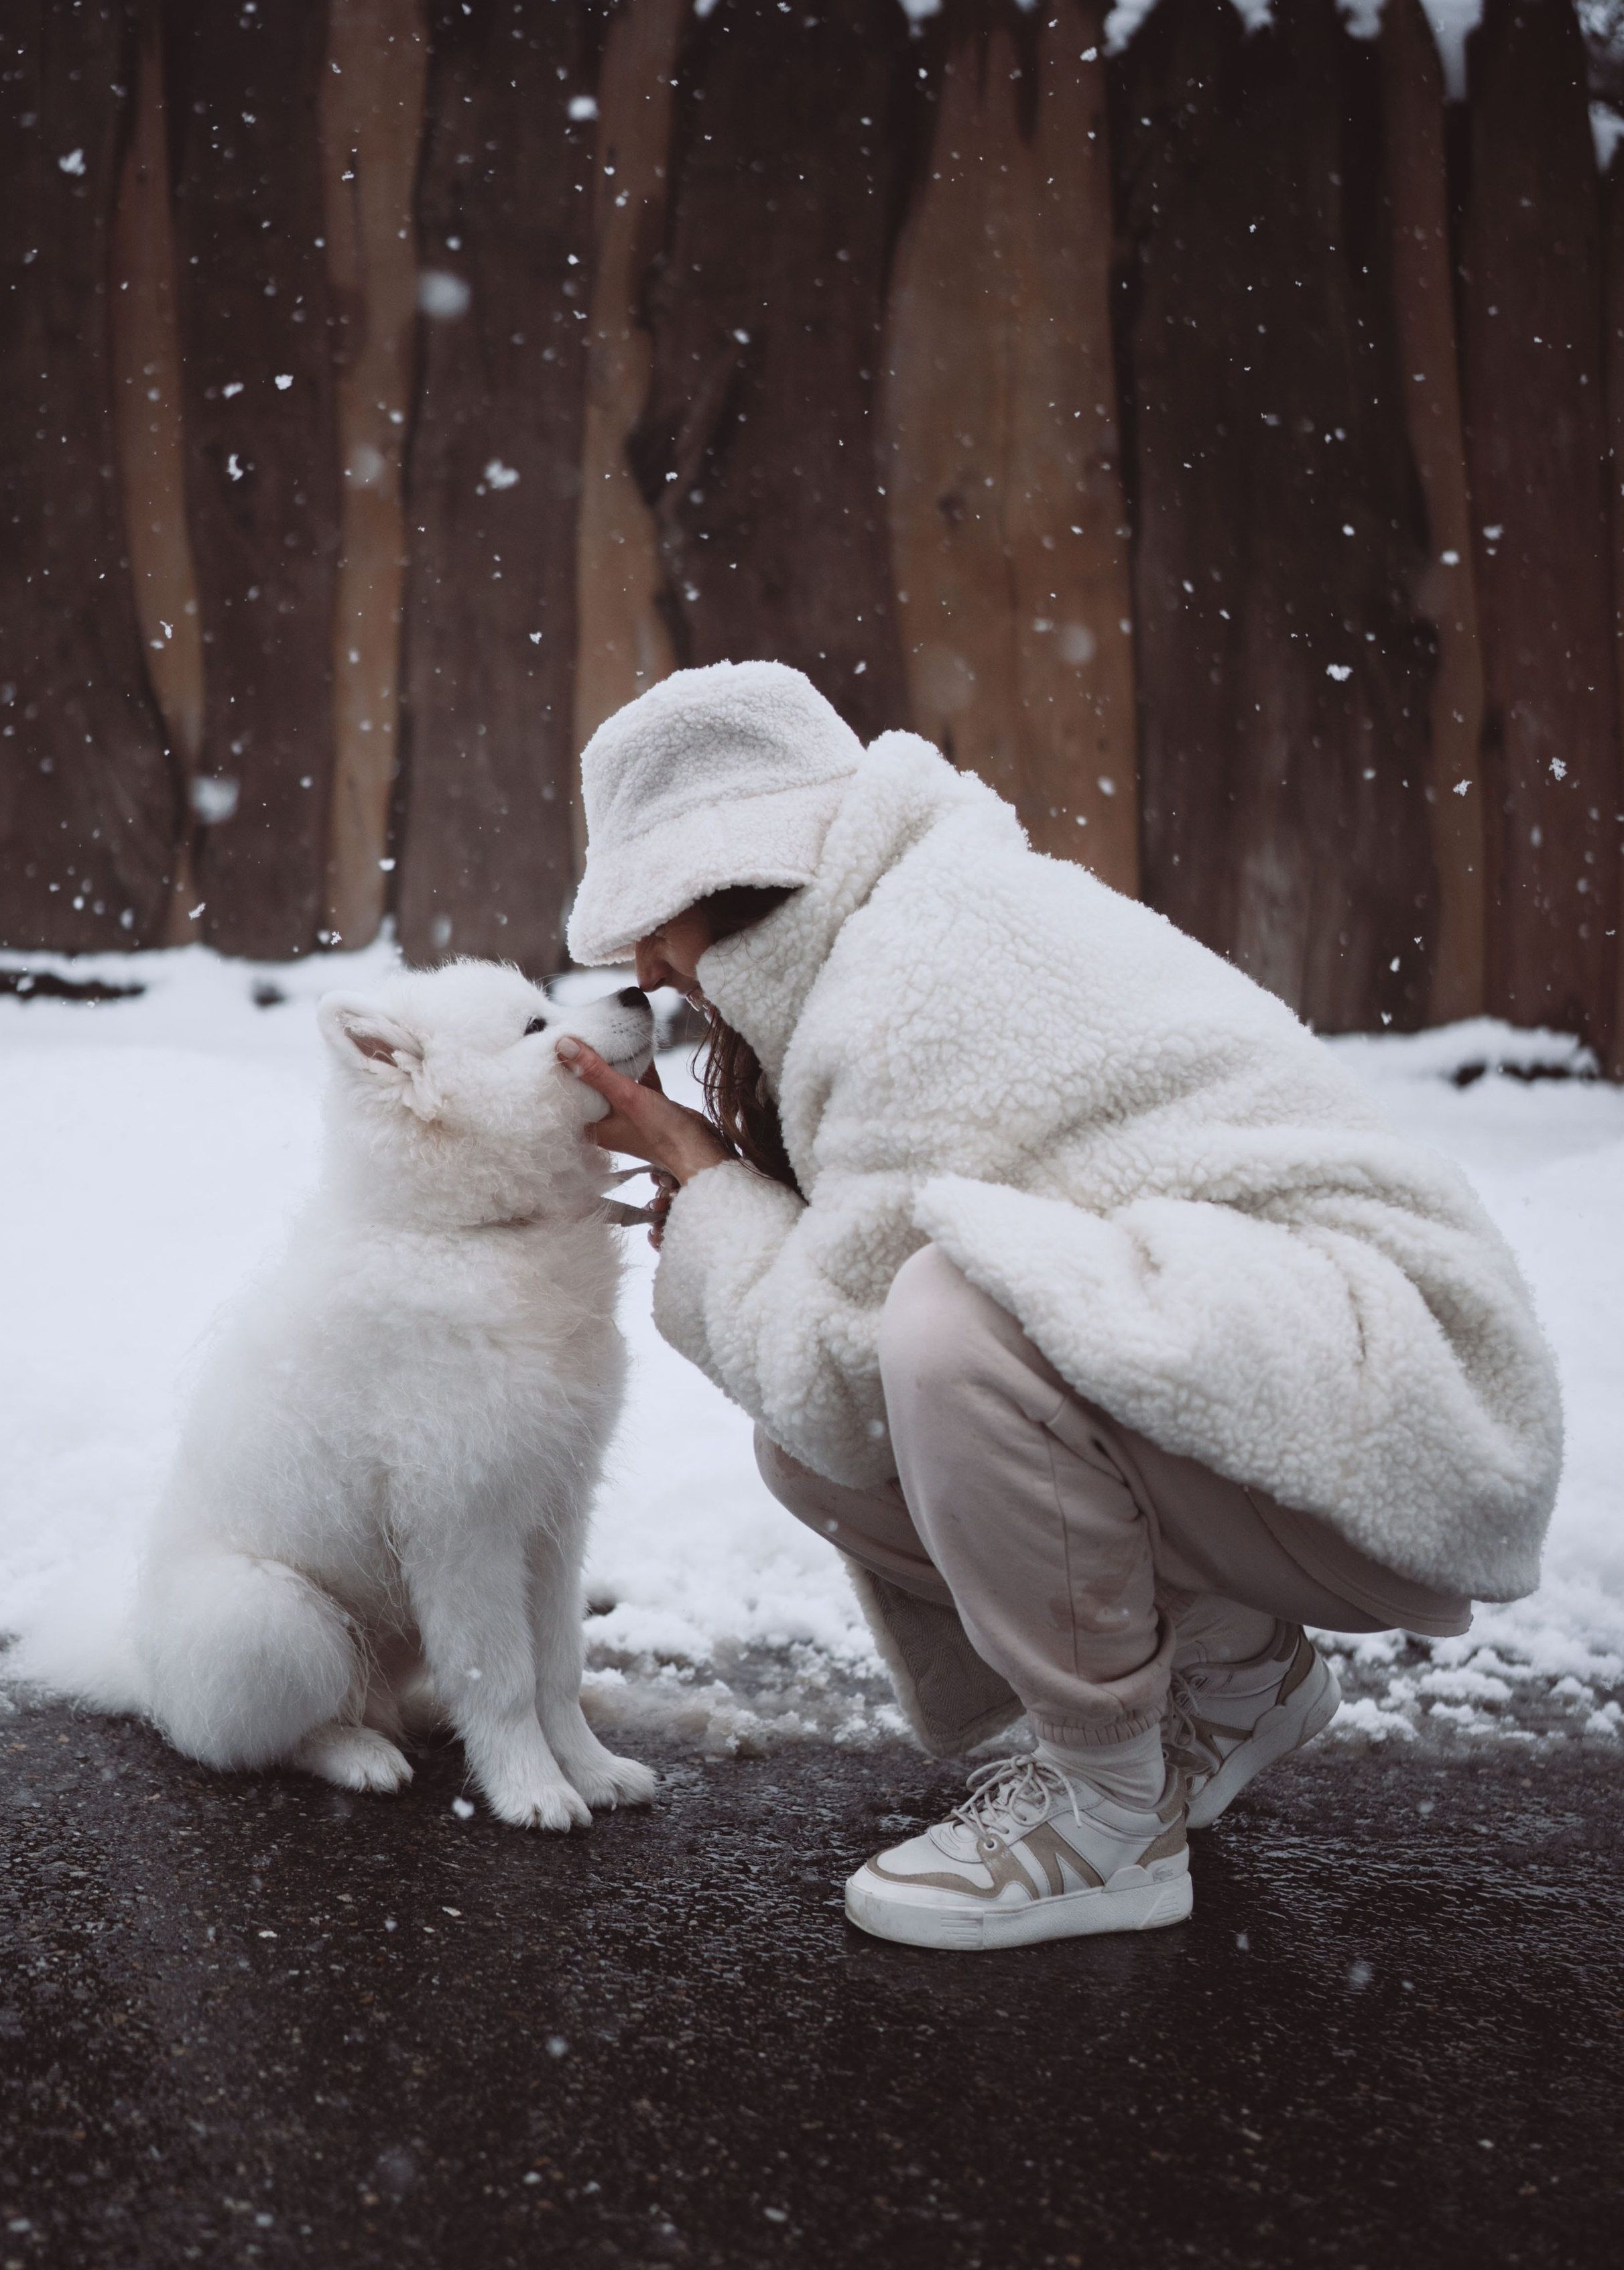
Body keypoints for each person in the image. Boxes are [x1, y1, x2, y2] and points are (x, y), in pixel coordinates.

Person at [554, 659, 1561, 1952]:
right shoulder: (905, 925)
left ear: (733, 874)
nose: (641, 960)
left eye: (652, 911)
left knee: (944, 1323)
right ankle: (1235, 1676)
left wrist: (704, 1180)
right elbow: (841, 1400)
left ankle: (1105, 1821)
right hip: (1335, 1382)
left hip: (1408, 1409)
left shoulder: (915, 974)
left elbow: (855, 1376)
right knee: (830, 1417)